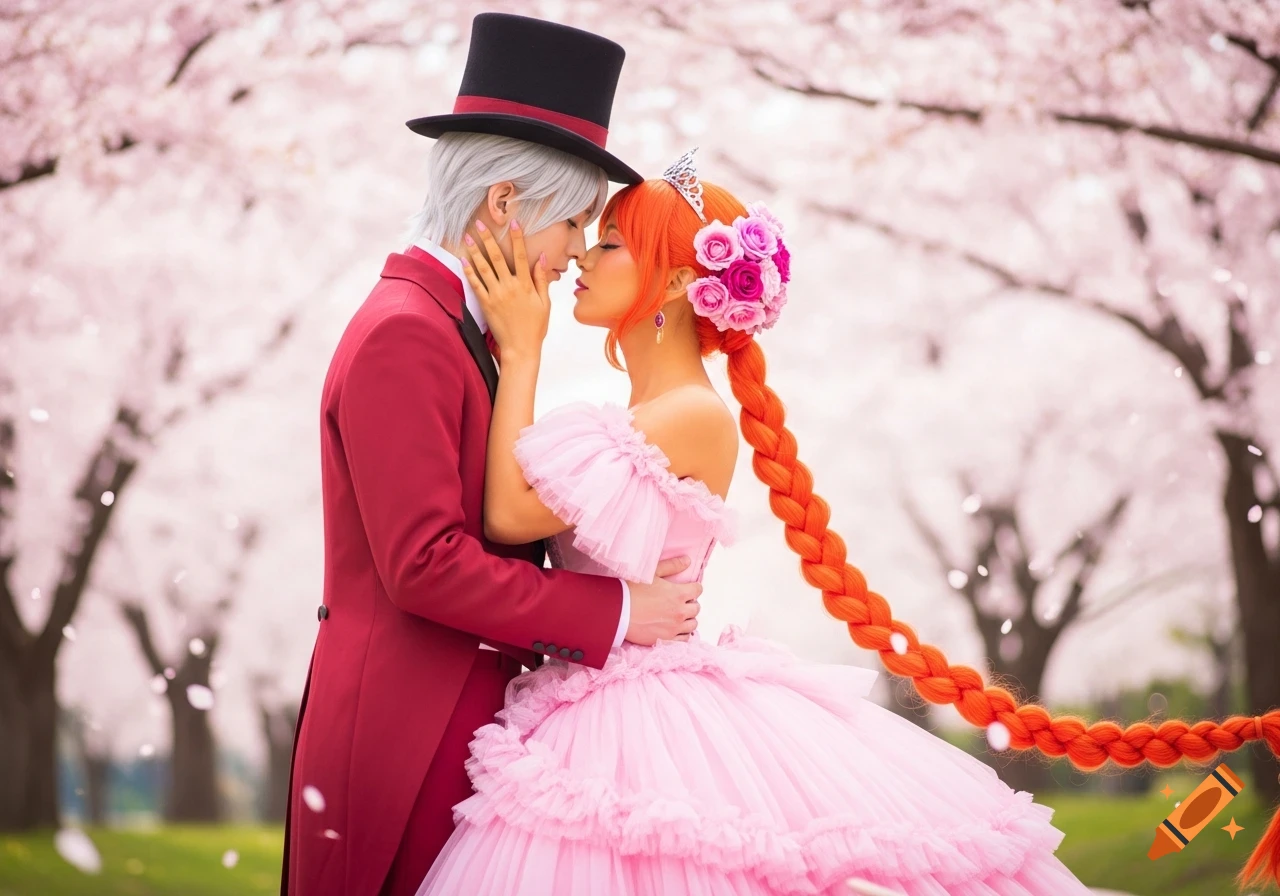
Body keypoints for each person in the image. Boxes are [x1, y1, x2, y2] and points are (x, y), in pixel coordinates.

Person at [414, 149, 1097, 894]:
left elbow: (508, 515)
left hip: (637, 714)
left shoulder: (688, 416)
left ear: (675, 281)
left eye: (608, 242)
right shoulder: (639, 416)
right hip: (589, 689)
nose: (582, 254)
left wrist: (522, 350)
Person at [281, 15, 703, 896]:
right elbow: (426, 566)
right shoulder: (409, 334)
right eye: (577, 224)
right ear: (508, 205)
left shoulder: (456, 328)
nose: (577, 256)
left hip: (458, 719)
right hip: (407, 732)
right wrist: (620, 613)